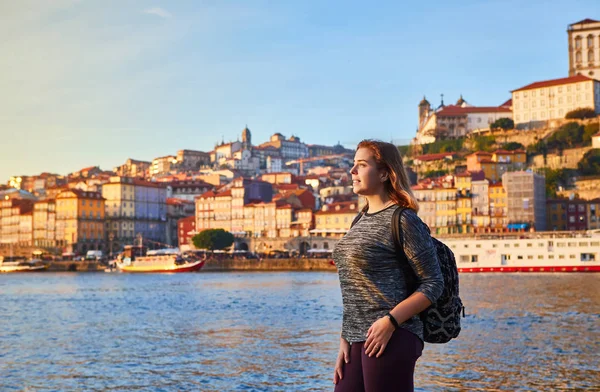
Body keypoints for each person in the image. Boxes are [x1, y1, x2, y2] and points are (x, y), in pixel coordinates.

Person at [332, 140, 443, 392]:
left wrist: (390, 322)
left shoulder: (403, 219)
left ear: (384, 173)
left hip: (394, 333)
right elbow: (355, 289)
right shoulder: (358, 220)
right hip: (357, 338)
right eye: (353, 165)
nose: (352, 172)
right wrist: (345, 338)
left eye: (361, 165)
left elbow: (434, 282)